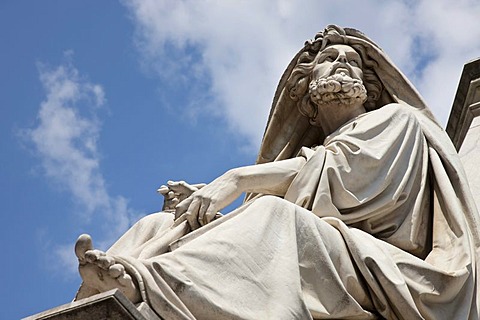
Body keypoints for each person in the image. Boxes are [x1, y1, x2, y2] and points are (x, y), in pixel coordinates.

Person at [74, 25, 480, 319]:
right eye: (329, 58)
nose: (342, 63)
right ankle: (102, 290)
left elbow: (339, 181)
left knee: (274, 216)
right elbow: (302, 189)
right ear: (305, 87)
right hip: (327, 251)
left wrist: (237, 179)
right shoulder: (308, 153)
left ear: (370, 87)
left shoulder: (397, 121)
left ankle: (147, 285)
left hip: (381, 267)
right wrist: (201, 209)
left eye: (354, 61)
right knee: (158, 224)